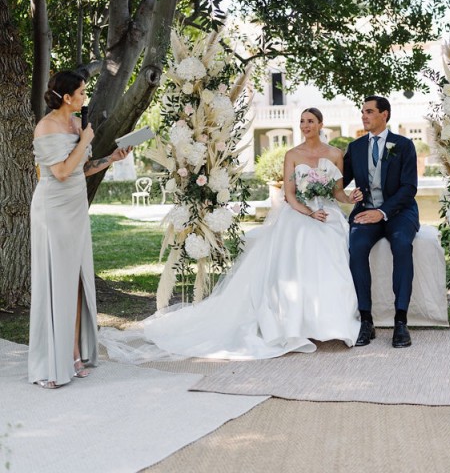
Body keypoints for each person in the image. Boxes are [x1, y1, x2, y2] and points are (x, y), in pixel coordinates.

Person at [101, 108, 361, 362]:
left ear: (320, 124)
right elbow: (290, 195)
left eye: (311, 121)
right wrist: (308, 212)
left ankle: (330, 325)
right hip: (300, 214)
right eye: (302, 121)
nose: (305, 126)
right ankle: (296, 327)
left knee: (331, 264)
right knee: (301, 247)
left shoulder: (335, 153)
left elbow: (337, 192)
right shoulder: (292, 154)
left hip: (328, 214)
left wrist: (350, 197)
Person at [28, 70, 132, 389]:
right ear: (67, 97)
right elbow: (59, 172)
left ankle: (73, 352)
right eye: (82, 92)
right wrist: (85, 140)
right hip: (53, 210)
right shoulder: (46, 127)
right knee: (56, 281)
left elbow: (82, 169)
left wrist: (110, 158)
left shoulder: (76, 125)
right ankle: (51, 362)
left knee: (74, 282)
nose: (86, 96)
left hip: (75, 209)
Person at [343, 95, 419, 348]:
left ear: (384, 114)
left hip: (399, 213)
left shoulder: (404, 145)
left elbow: (409, 188)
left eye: (369, 112)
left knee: (401, 245)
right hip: (366, 211)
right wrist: (307, 183)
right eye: (362, 112)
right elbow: (338, 182)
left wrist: (383, 212)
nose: (364, 116)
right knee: (356, 247)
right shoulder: (355, 147)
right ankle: (366, 320)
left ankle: (401, 322)